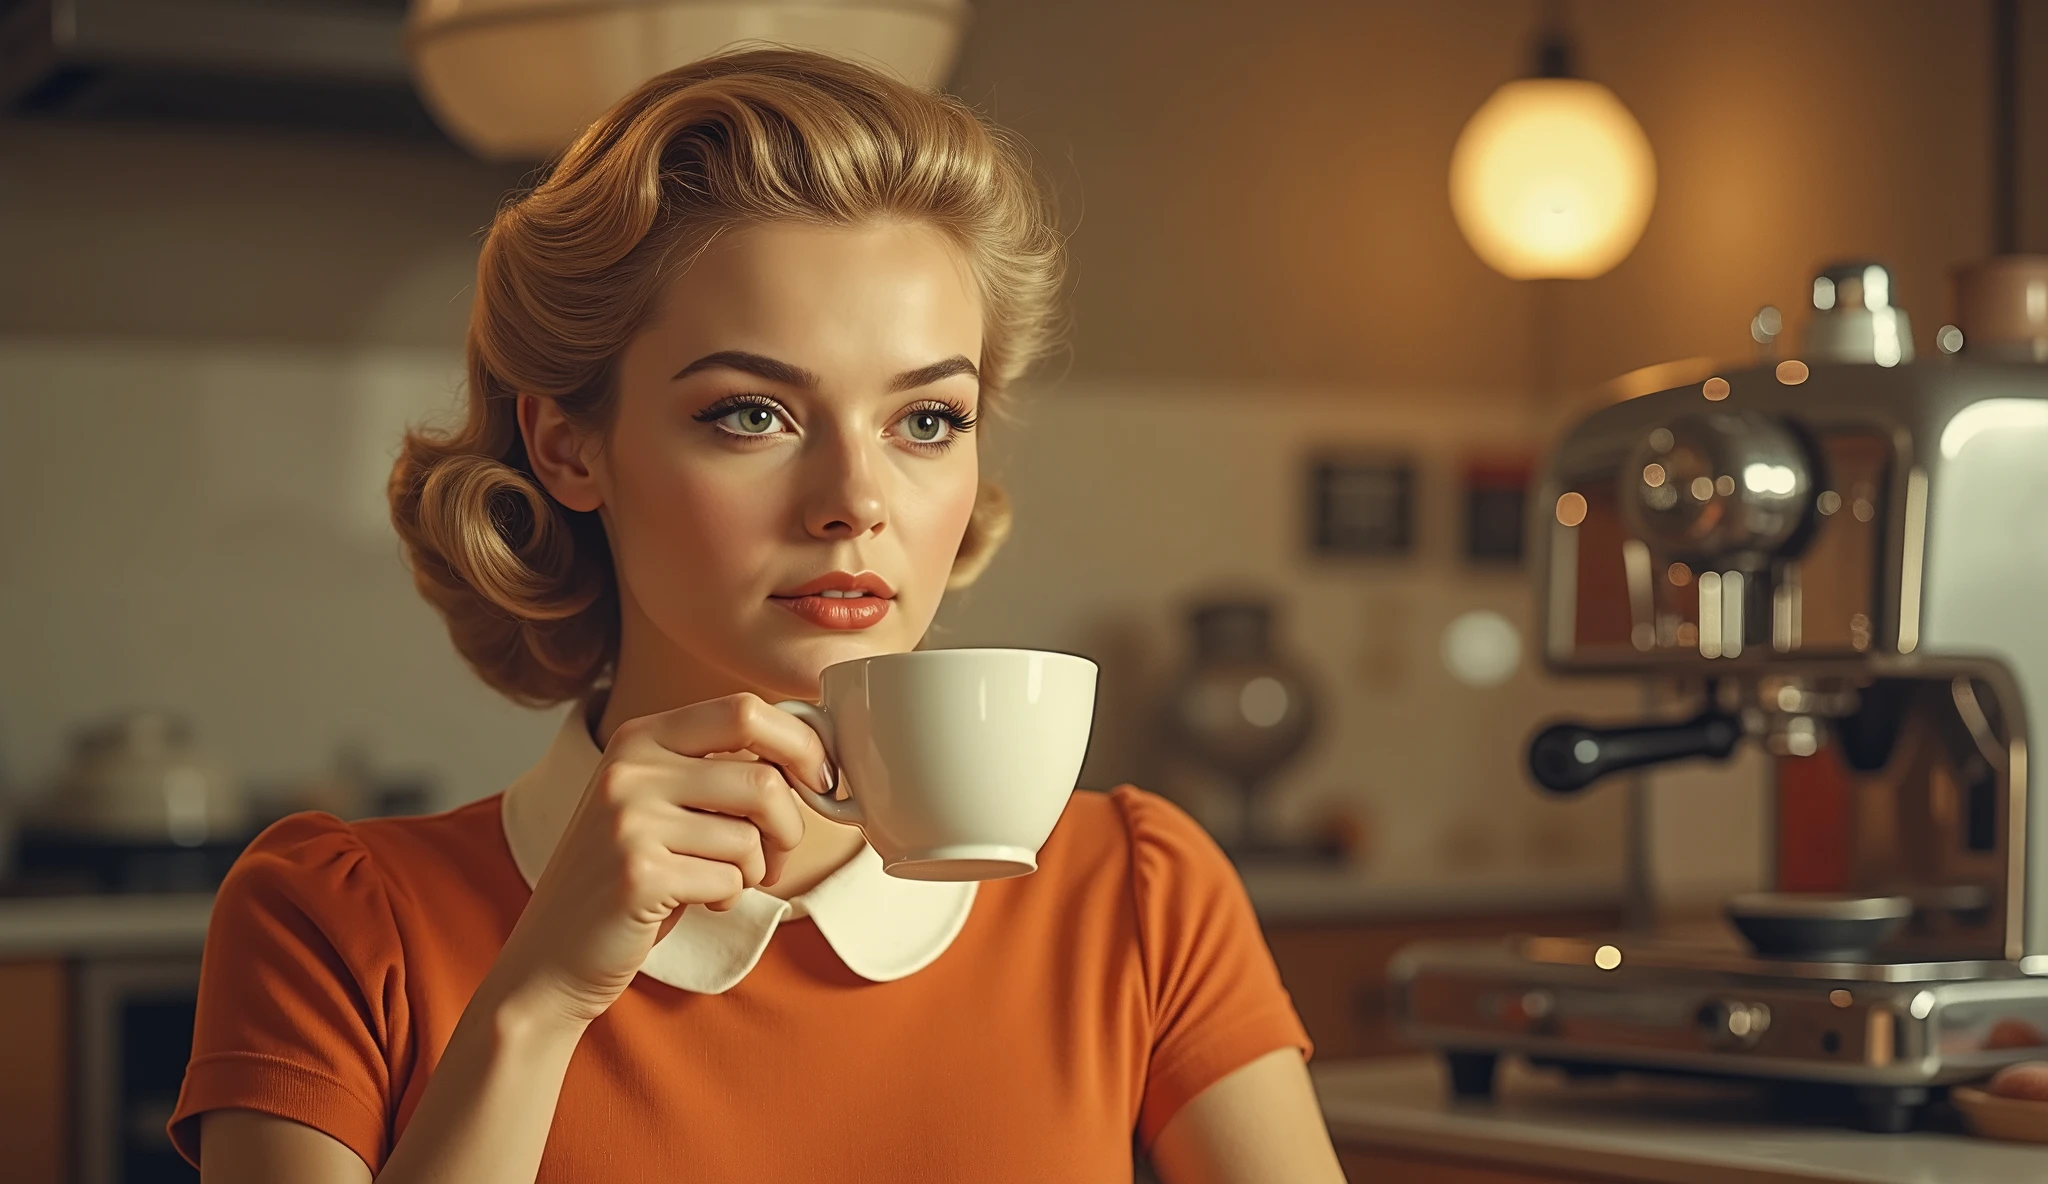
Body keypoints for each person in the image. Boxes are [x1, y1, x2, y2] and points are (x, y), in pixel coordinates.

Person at [170, 47, 1345, 1184]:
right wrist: (536, 1002)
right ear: (567, 445)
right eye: (751, 413)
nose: (855, 501)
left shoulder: (1138, 893)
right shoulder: (334, 923)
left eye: (926, 420)